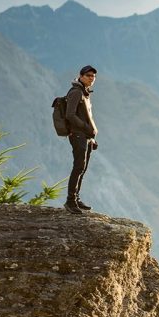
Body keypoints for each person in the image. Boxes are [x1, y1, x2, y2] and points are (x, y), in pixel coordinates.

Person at [64, 65, 98, 214]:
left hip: (85, 136)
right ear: (81, 76)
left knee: (82, 168)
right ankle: (70, 201)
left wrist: (91, 136)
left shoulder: (85, 93)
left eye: (94, 76)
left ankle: (76, 198)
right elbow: (69, 114)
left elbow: (86, 116)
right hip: (78, 135)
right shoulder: (76, 92)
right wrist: (85, 128)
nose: (91, 78)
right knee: (78, 167)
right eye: (89, 75)